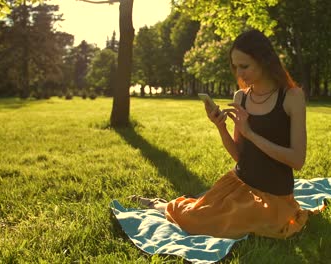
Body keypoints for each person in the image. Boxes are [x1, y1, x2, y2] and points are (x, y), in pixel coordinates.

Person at [132, 29, 309, 239]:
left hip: (274, 197)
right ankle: (162, 206)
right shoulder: (240, 97)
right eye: (235, 67)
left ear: (264, 60)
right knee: (199, 216)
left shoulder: (292, 97)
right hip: (238, 185)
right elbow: (239, 156)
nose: (239, 74)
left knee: (220, 221)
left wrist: (250, 133)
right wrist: (220, 126)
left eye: (245, 66)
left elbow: (297, 160)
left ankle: (166, 206)